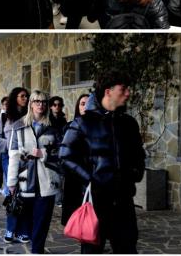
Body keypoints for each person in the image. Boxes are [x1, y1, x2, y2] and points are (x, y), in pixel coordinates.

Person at [60, 70, 145, 253]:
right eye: (123, 89)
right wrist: (90, 178)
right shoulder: (82, 123)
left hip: (124, 202)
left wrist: (136, 172)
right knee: (92, 251)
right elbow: (65, 156)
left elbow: (139, 154)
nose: (128, 93)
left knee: (127, 249)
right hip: (95, 203)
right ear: (108, 91)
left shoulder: (129, 123)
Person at [8, 90, 61, 254]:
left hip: (47, 181)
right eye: (37, 101)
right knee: (28, 220)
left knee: (42, 221)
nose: (41, 105)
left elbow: (61, 153)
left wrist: (43, 154)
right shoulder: (18, 126)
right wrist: (11, 181)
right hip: (26, 180)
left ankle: (37, 250)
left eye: (44, 102)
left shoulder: (54, 126)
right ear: (31, 104)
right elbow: (13, 155)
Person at [0, 87, 29, 244]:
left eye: (27, 96)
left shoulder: (30, 116)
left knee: (25, 194)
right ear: (15, 98)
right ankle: (10, 228)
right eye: (22, 96)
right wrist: (12, 145)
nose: (25, 98)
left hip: (28, 158)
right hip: (9, 157)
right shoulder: (4, 117)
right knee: (13, 192)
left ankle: (23, 230)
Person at [60, 94, 89, 226]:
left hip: (92, 170)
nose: (86, 106)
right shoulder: (70, 126)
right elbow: (64, 152)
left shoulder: (99, 126)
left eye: (89, 103)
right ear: (78, 106)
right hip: (74, 172)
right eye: (82, 103)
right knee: (75, 206)